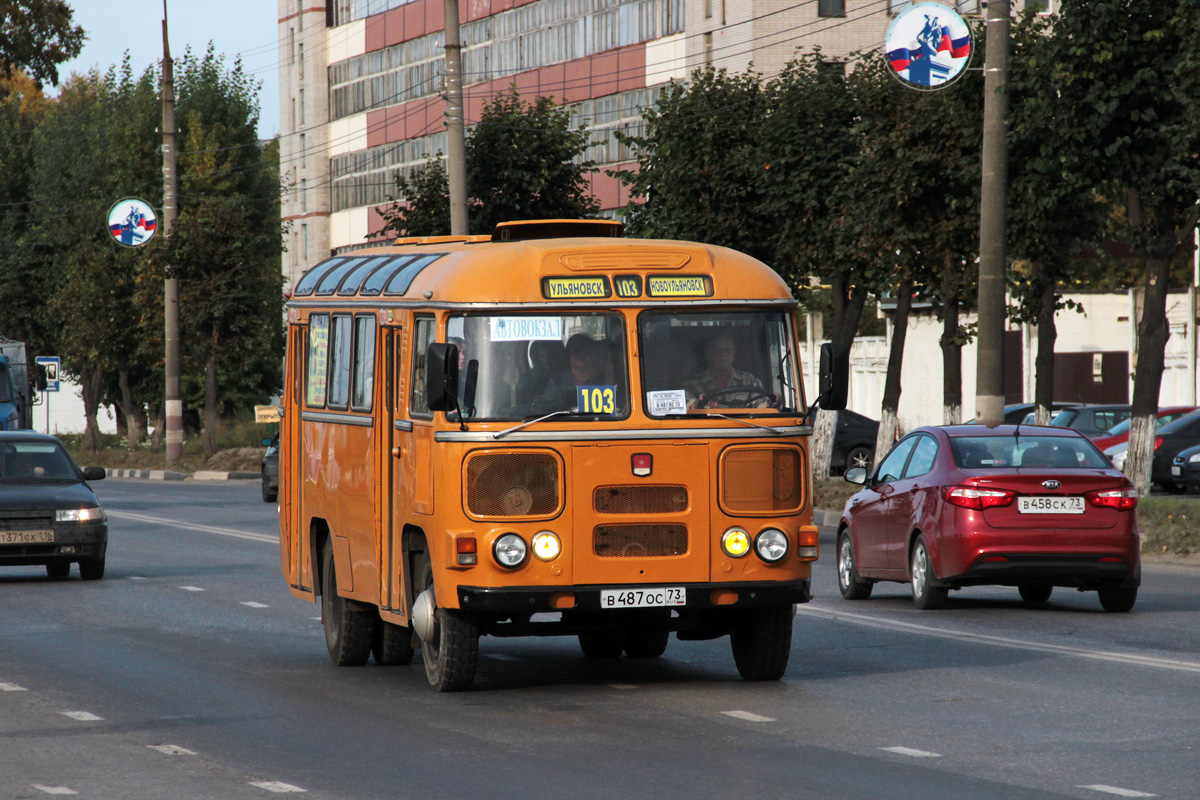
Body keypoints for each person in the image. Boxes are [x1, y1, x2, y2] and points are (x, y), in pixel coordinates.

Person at [682, 332, 769, 409]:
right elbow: (686, 410)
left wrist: (772, 402)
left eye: (728, 350)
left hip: (746, 426)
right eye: (719, 351)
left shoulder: (750, 381)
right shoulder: (692, 384)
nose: (723, 355)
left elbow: (763, 407)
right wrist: (700, 403)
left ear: (733, 354)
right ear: (708, 354)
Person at [531, 334, 607, 412]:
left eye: (586, 350)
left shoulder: (606, 377)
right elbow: (548, 407)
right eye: (576, 351)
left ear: (594, 354)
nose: (581, 355)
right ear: (568, 355)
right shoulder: (557, 381)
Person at [514, 339, 568, 410]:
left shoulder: (568, 377)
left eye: (550, 355)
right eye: (542, 356)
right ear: (536, 357)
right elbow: (521, 405)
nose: (546, 360)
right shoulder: (527, 379)